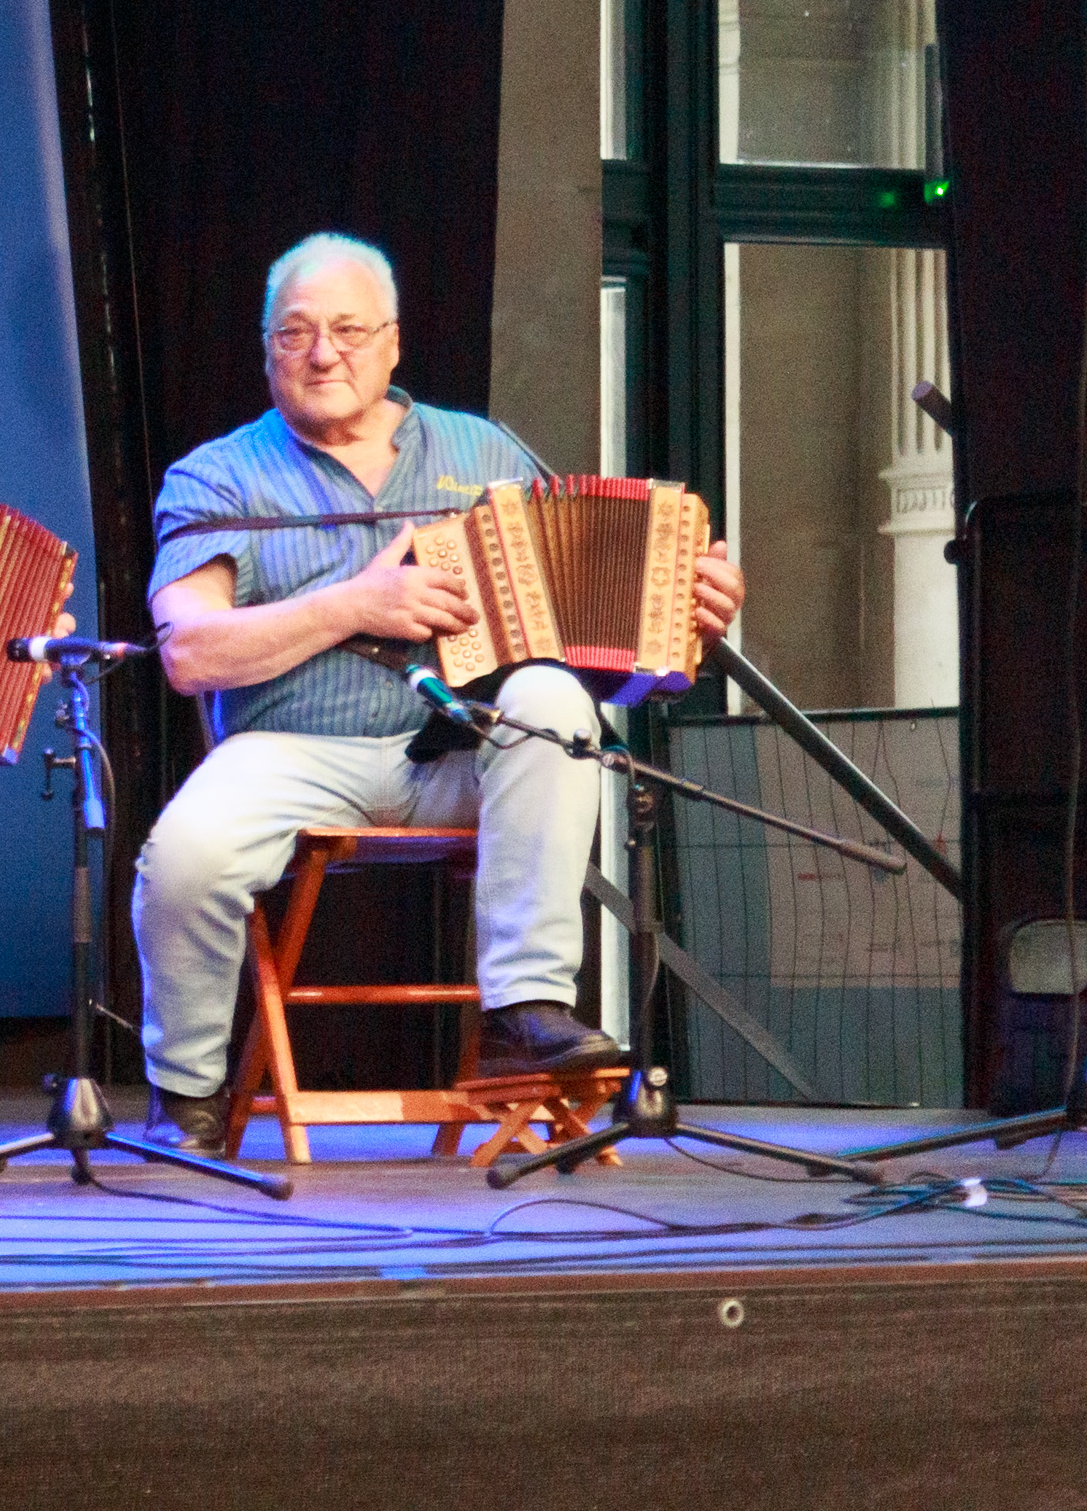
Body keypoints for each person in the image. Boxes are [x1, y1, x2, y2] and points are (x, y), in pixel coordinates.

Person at [130, 232, 746, 1156]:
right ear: (267, 352)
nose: (323, 352)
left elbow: (591, 643)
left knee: (549, 699)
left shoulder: (478, 450)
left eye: (346, 329)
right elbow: (190, 652)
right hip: (290, 751)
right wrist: (353, 604)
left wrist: (681, 615)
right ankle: (185, 1095)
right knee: (183, 857)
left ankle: (523, 1013)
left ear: (393, 343)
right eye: (294, 334)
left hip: (460, 751)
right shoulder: (218, 474)